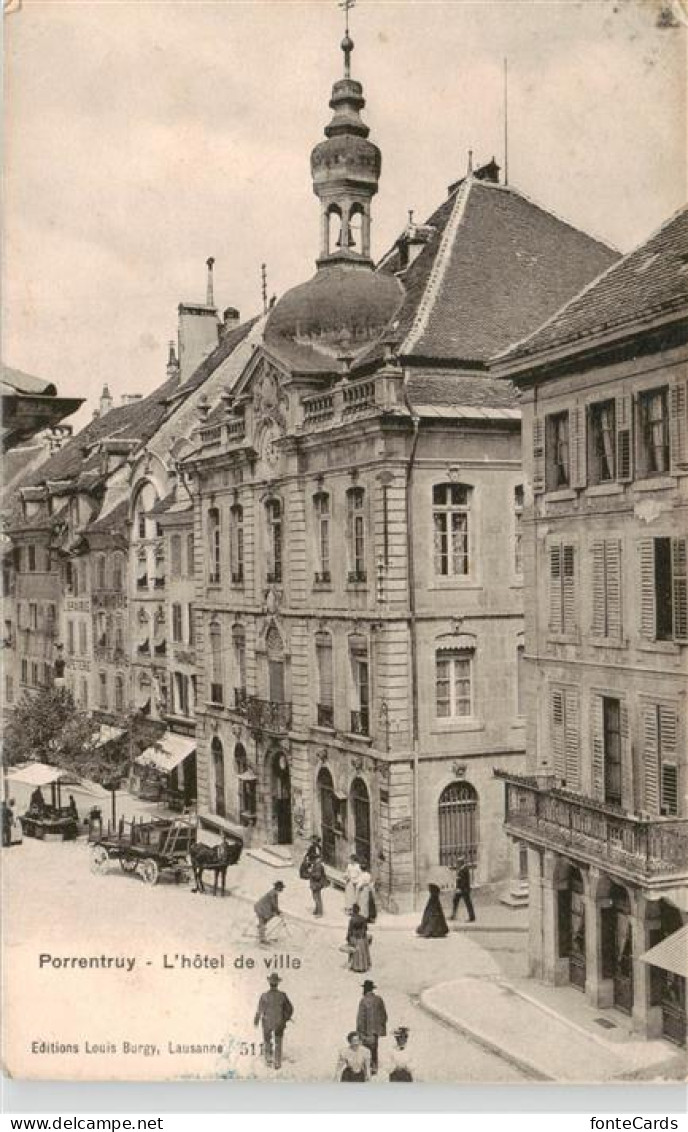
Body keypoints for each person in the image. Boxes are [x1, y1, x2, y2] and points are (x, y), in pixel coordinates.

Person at [253, 972, 293, 1070]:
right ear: (277, 984)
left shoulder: (264, 996)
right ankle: (277, 1063)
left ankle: (268, 1061)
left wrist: (256, 1020)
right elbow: (290, 1008)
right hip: (279, 1022)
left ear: (270, 983)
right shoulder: (283, 995)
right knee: (278, 1042)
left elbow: (259, 1009)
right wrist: (285, 1018)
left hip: (267, 1022)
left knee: (267, 1042)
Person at [356, 979, 387, 1076]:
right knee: (374, 1050)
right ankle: (374, 1068)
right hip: (375, 1033)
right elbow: (384, 1015)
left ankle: (367, 1068)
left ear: (365, 989)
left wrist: (359, 1032)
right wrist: (380, 1029)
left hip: (365, 1032)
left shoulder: (363, 1001)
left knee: (365, 1050)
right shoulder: (379, 999)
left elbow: (360, 1018)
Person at [254, 880, 285, 945]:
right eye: (281, 888)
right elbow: (273, 903)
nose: (282, 889)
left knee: (266, 920)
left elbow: (275, 904)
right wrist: (277, 911)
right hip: (261, 908)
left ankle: (261, 929)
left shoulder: (274, 893)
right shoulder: (272, 893)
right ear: (278, 888)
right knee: (263, 922)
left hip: (264, 908)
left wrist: (278, 911)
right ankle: (262, 939)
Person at [346, 903, 371, 972]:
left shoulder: (352, 919)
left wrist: (348, 938)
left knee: (356, 952)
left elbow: (350, 930)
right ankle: (364, 966)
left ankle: (356, 966)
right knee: (363, 952)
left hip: (355, 938)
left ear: (353, 911)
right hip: (362, 938)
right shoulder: (363, 918)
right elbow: (366, 928)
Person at [450, 856, 475, 922]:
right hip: (461, 889)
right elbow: (460, 879)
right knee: (455, 900)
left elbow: (464, 881)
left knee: (468, 903)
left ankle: (472, 917)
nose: (457, 864)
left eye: (458, 863)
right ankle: (453, 915)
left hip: (464, 890)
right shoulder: (462, 868)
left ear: (461, 863)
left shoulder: (464, 869)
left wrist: (459, 888)